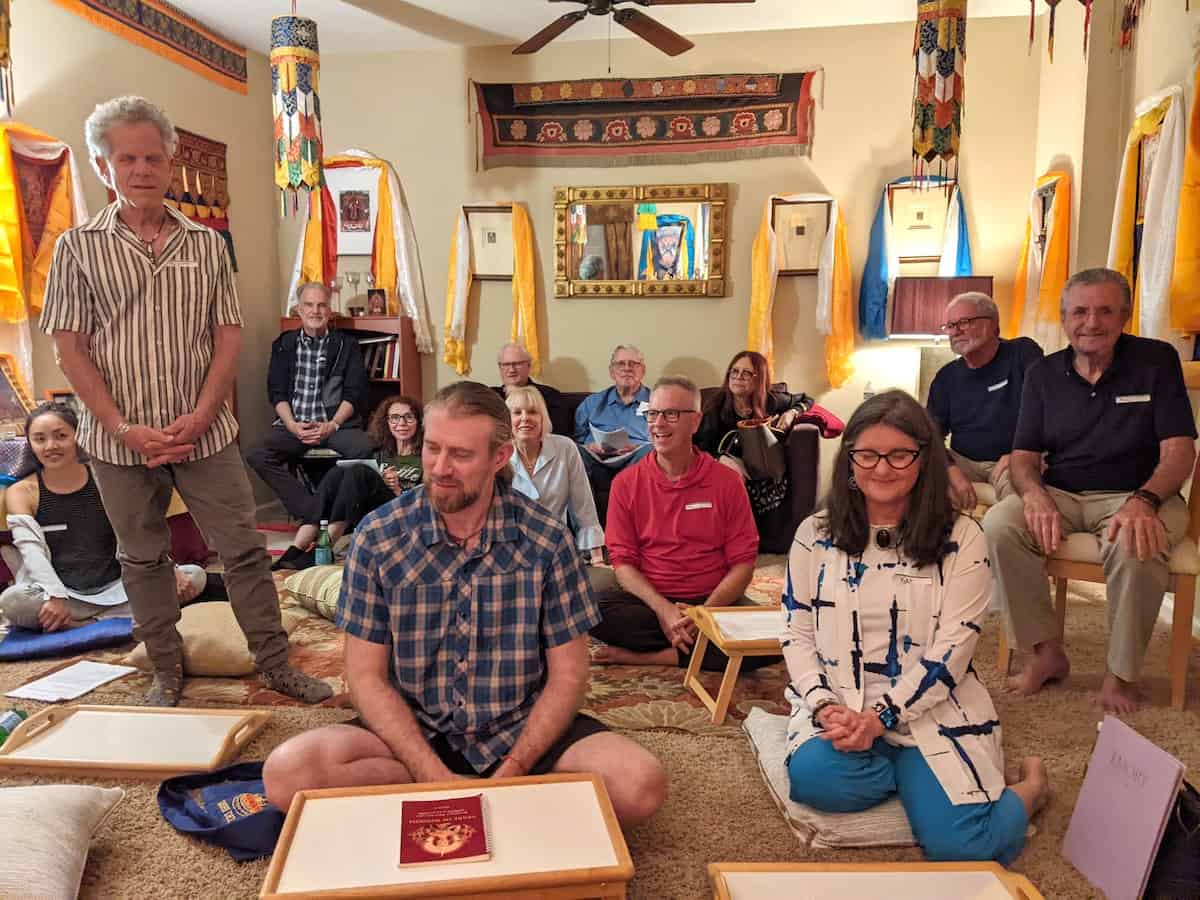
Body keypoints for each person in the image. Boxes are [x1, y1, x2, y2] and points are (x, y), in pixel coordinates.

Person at [262, 382, 666, 825]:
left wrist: (514, 768)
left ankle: (469, 800)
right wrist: (429, 772)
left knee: (638, 785)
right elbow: (365, 676)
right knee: (287, 774)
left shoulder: (548, 540)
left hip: (520, 724)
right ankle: (480, 802)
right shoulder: (378, 537)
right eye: (432, 448)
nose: (440, 467)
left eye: (461, 454)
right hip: (414, 726)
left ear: (500, 457)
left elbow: (569, 675)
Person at [41, 95, 330, 706]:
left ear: (170, 163)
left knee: (246, 550)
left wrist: (202, 414)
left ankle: (275, 664)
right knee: (143, 558)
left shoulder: (207, 244)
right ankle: (165, 671)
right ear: (103, 166)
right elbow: (71, 351)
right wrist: (125, 429)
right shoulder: (75, 249)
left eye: (153, 157)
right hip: (117, 441)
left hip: (205, 431)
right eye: (128, 159)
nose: (142, 169)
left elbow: (228, 334)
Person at [784, 390, 1049, 864]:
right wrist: (824, 707)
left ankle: (1029, 789)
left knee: (965, 850)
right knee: (811, 779)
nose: (881, 469)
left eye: (899, 455)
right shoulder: (814, 535)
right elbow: (797, 631)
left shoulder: (964, 537)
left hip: (930, 705)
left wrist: (881, 718)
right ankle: (922, 777)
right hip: (845, 703)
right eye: (866, 454)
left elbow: (954, 650)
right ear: (848, 460)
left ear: (924, 460)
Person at [983, 268, 1196, 714]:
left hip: (1138, 493)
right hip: (1062, 492)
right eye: (1080, 312)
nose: (1091, 323)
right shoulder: (1043, 373)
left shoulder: (1157, 361)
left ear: (1124, 316)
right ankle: (1045, 653)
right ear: (1065, 319)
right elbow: (1023, 456)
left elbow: (1178, 452)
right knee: (1001, 523)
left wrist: (1145, 501)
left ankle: (1121, 675)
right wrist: (1035, 495)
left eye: (1104, 311)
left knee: (1137, 538)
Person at [589, 376, 778, 673]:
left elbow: (743, 563)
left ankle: (656, 656)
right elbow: (623, 565)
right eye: (652, 414)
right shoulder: (625, 484)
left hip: (715, 601)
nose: (658, 423)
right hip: (652, 603)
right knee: (586, 608)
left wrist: (704, 613)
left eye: (671, 414)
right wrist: (664, 610)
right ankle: (698, 648)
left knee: (781, 638)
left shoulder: (727, 482)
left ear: (695, 422)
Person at [0, 402, 211, 631]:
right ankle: (123, 619)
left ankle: (83, 624)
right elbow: (31, 551)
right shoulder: (21, 492)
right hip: (63, 596)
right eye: (40, 439)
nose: (51, 446)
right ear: (30, 444)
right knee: (13, 600)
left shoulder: (105, 477)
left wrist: (169, 567)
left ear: (78, 436)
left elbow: (137, 529)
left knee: (194, 576)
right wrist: (55, 595)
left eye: (61, 436)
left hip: (119, 588)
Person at [246, 281, 374, 520]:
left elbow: (354, 393)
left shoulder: (347, 345)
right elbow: (277, 393)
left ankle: (345, 512)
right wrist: (293, 426)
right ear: (299, 310)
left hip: (335, 426)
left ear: (330, 310)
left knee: (366, 448)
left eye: (321, 305)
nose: (315, 311)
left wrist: (332, 425)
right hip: (295, 427)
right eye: (309, 305)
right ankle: (313, 511)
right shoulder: (284, 344)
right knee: (257, 453)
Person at [273, 395, 423, 571]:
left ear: (418, 422)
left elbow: (425, 502)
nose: (401, 423)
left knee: (359, 472)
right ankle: (297, 547)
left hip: (401, 512)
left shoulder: (424, 457)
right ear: (387, 422)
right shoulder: (380, 453)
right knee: (338, 472)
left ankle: (324, 548)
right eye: (395, 417)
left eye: (408, 417)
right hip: (370, 510)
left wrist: (398, 489)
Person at [927, 292, 1043, 509]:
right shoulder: (946, 377)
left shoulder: (1023, 353)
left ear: (993, 325)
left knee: (1020, 507)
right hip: (963, 460)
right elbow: (931, 434)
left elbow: (1048, 412)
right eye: (950, 325)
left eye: (965, 322)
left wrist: (1020, 453)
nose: (956, 331)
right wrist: (951, 470)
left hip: (1014, 459)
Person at [695, 350, 815, 552]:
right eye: (734, 371)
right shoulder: (716, 404)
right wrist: (719, 459)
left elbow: (807, 399)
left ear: (759, 378)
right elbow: (697, 446)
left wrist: (793, 412)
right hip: (724, 471)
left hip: (764, 473)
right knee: (727, 477)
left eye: (746, 373)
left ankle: (746, 538)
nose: (738, 377)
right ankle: (730, 540)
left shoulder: (772, 401)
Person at [505, 386, 604, 563]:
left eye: (533, 412)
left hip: (555, 549)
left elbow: (584, 507)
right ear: (507, 420)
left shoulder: (565, 447)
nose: (525, 418)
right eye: (517, 413)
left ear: (543, 417)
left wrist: (597, 559)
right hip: (509, 550)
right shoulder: (497, 454)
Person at [574, 345, 653, 518]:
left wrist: (636, 447)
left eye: (633, 364)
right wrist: (590, 446)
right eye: (621, 364)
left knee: (651, 451)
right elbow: (578, 438)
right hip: (598, 461)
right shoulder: (591, 403)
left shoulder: (656, 402)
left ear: (643, 370)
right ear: (611, 371)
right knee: (574, 451)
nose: (627, 368)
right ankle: (588, 526)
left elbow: (663, 437)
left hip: (636, 460)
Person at [491, 341, 570, 436]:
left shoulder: (551, 395)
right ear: (500, 367)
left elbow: (559, 432)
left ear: (529, 365)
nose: (511, 370)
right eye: (506, 365)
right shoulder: (490, 396)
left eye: (517, 364)